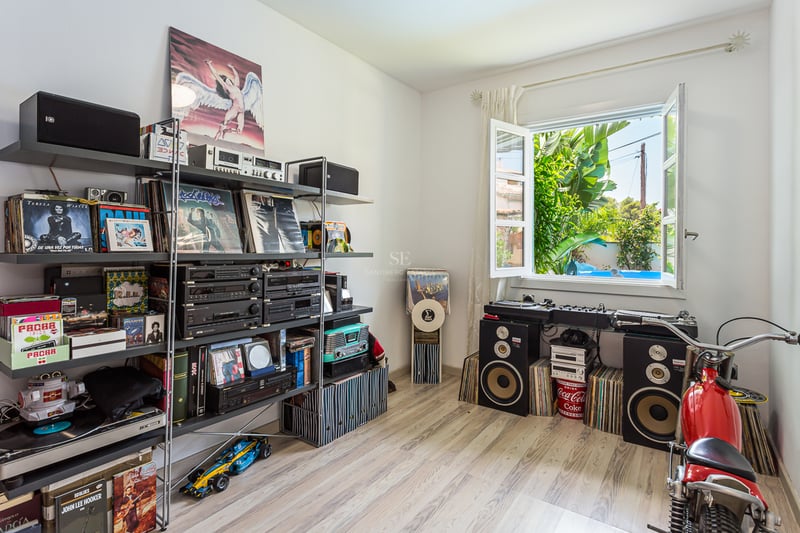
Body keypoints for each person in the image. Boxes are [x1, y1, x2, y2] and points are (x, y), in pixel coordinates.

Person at [205, 59, 245, 141]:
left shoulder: (236, 86)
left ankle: (226, 131)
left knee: (239, 131)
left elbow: (236, 76)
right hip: (234, 109)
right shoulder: (227, 88)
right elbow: (216, 75)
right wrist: (209, 64)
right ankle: (219, 132)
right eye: (225, 80)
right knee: (225, 123)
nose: (227, 80)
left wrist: (232, 67)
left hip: (241, 111)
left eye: (227, 79)